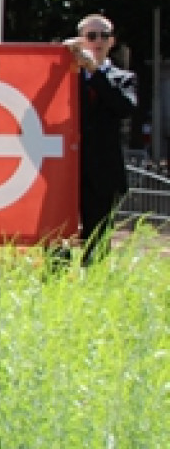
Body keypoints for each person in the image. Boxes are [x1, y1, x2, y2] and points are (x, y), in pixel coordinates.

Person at [65, 13, 137, 264]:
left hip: (103, 174)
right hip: (65, 171)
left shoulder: (122, 78)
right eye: (91, 36)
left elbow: (124, 107)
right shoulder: (65, 78)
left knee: (97, 242)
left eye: (103, 36)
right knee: (57, 240)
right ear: (80, 40)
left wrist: (94, 70)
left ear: (112, 42)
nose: (97, 41)